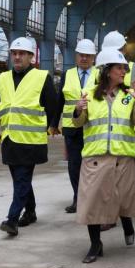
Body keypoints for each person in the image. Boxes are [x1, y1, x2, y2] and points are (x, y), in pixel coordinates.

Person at [71, 48, 135, 263]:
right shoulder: (89, 95)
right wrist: (77, 110)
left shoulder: (128, 95)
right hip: (96, 159)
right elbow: (78, 122)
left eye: (124, 68)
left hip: (123, 157)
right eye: (119, 68)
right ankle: (96, 244)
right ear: (106, 71)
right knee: (93, 202)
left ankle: (127, 223)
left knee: (123, 199)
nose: (124, 71)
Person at [0, 37, 62, 236]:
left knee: (23, 179)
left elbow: (52, 105)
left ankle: (12, 219)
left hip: (31, 140)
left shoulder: (42, 77)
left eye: (22, 53)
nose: (17, 57)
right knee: (20, 180)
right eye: (14, 53)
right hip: (10, 138)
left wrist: (48, 126)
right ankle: (31, 211)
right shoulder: (2, 78)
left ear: (31, 57)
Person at [101, 30, 135, 217]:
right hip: (109, 129)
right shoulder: (100, 70)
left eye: (118, 49)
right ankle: (114, 209)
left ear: (124, 49)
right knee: (109, 170)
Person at [59, 39, 98, 214]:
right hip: (71, 128)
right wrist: (53, 123)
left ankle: (92, 199)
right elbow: (60, 100)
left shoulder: (100, 75)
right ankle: (78, 198)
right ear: (76, 56)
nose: (84, 58)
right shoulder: (67, 75)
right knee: (74, 166)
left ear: (93, 57)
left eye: (87, 55)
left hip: (93, 128)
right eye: (81, 55)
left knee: (93, 166)